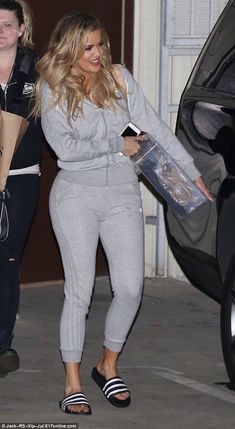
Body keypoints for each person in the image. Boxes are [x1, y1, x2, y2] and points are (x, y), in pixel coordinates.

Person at [34, 11, 211, 415]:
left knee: (130, 288)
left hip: (122, 193)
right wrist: (118, 144)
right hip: (76, 195)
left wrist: (190, 171)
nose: (97, 54)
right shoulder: (53, 86)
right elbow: (66, 148)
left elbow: (153, 128)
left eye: (100, 44)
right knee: (79, 291)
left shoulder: (119, 78)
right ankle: (72, 381)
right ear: (70, 49)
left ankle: (107, 365)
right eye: (88, 47)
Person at [0, 0, 43, 377]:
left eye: (7, 25)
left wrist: (132, 136)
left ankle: (2, 344)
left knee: (8, 258)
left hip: (22, 175)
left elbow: (87, 105)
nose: (0, 31)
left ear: (20, 29)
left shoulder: (38, 70)